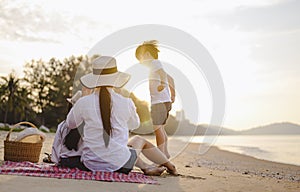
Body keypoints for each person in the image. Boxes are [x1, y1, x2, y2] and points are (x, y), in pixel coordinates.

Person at [64, 56, 177, 175]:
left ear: (94, 79)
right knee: (138, 140)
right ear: (115, 79)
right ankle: (170, 166)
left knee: (119, 148)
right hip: (121, 164)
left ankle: (147, 167)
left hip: (90, 163)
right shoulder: (126, 102)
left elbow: (70, 124)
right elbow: (135, 124)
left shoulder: (83, 102)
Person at [135, 40, 175, 158]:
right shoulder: (156, 65)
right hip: (164, 101)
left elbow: (164, 75)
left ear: (147, 54)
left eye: (140, 59)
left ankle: (161, 155)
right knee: (160, 128)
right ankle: (165, 153)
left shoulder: (154, 64)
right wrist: (172, 95)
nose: (140, 62)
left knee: (157, 129)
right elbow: (171, 79)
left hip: (159, 102)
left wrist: (162, 84)